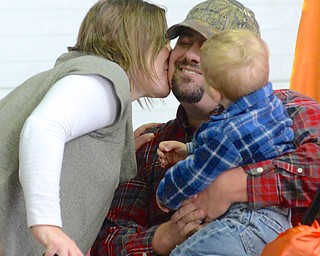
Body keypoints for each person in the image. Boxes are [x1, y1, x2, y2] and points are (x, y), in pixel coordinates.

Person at [90, 0, 320, 255]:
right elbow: (104, 241)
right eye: (185, 42)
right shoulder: (151, 146)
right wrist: (165, 236)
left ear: (245, 65)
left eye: (209, 48)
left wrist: (236, 185)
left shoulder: (285, 107)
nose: (190, 54)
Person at [0, 0, 170, 255]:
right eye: (162, 41)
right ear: (135, 42)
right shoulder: (105, 77)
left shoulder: (82, 76)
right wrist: (47, 226)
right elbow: (43, 128)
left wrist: (116, 153)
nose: (170, 51)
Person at [156, 28, 295, 255]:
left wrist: (166, 194)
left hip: (246, 224)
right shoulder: (271, 105)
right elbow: (239, 148)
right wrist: (190, 148)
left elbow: (196, 172)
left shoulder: (226, 136)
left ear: (215, 91)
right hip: (278, 221)